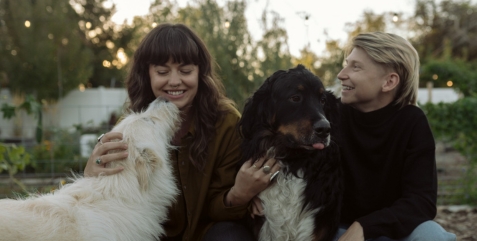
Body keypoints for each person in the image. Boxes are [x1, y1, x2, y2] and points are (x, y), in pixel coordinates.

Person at [84, 23, 280, 241]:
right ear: (147, 74)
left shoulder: (226, 122)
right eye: (162, 72)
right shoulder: (130, 130)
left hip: (209, 234)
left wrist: (239, 195)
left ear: (200, 73)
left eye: (186, 71)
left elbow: (219, 206)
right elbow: (119, 204)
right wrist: (93, 175)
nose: (175, 81)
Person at [333, 32, 456, 241]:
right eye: (346, 64)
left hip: (397, 230)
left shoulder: (412, 122)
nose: (341, 74)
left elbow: (421, 201)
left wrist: (365, 226)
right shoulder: (330, 116)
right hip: (339, 231)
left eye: (356, 67)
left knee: (433, 236)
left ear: (389, 82)